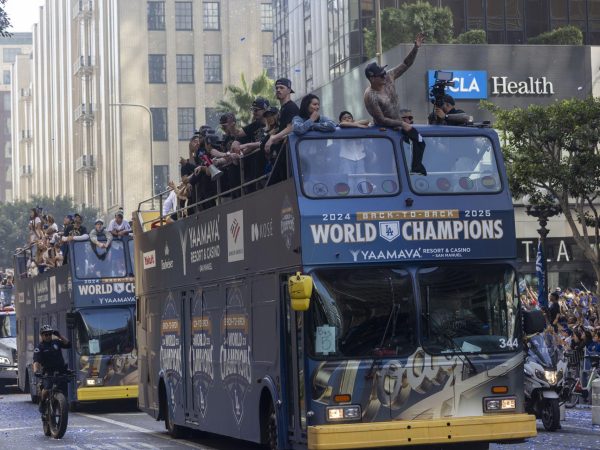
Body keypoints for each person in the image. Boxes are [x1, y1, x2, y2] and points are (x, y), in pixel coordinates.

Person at [363, 32, 425, 128]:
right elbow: (382, 120)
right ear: (372, 79)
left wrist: (416, 48)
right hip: (384, 131)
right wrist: (402, 124)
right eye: (381, 75)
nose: (384, 76)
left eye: (384, 72)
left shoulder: (388, 77)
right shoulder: (370, 96)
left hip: (398, 125)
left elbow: (406, 64)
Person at [265, 78, 300, 184]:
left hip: (288, 153)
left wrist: (273, 138)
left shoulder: (291, 107)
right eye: (276, 88)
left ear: (289, 90)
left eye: (281, 88)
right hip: (280, 152)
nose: (278, 90)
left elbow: (291, 127)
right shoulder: (283, 108)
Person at [33, 324, 71, 414]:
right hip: (48, 372)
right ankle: (42, 403)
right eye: (46, 334)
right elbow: (36, 361)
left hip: (61, 370)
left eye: (50, 334)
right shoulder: (39, 347)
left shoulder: (56, 342)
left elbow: (68, 344)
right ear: (42, 336)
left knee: (64, 389)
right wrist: (36, 371)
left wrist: (59, 335)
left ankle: (62, 405)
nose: (48, 336)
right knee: (46, 390)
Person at [399, 108, 427, 175]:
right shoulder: (395, 133)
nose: (410, 120)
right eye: (408, 118)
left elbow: (422, 144)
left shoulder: (417, 132)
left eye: (411, 118)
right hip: (400, 172)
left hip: (416, 173)